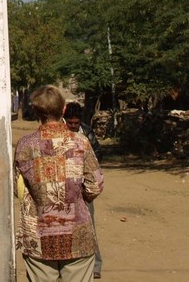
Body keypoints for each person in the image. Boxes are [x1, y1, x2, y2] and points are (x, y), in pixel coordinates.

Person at [14, 85, 103, 282]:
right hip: (77, 235)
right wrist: (81, 197)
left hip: (38, 237)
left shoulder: (24, 145)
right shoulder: (81, 142)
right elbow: (95, 185)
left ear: (36, 111)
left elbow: (17, 188)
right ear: (63, 110)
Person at [64, 102, 103, 279]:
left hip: (83, 189)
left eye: (76, 123)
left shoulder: (86, 134)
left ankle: (96, 265)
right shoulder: (59, 134)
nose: (73, 126)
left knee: (89, 226)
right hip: (64, 190)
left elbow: (97, 157)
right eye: (70, 123)